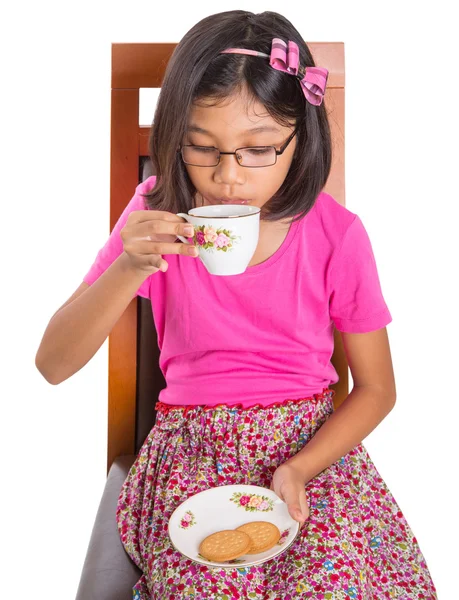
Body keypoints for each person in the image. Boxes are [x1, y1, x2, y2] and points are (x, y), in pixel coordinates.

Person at [35, 9, 437, 600]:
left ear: (302, 136)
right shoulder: (156, 211)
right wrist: (128, 264)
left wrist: (300, 467)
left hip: (310, 453)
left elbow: (378, 388)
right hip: (191, 452)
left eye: (258, 150)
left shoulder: (336, 234)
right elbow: (52, 363)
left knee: (338, 580)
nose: (227, 178)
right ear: (175, 137)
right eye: (202, 148)